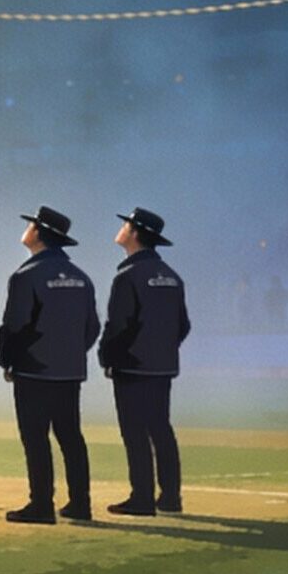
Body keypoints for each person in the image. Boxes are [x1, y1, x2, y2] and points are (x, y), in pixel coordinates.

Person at [0, 206, 99, 524]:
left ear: (39, 233)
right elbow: (92, 327)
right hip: (69, 371)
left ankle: (41, 504)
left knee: (36, 438)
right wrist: (70, 353)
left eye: (31, 225)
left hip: (33, 370)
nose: (27, 228)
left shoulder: (26, 275)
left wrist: (8, 360)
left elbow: (14, 326)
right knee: (71, 436)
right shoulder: (81, 278)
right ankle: (80, 503)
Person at [98, 207, 190, 517]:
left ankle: (142, 497)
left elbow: (119, 326)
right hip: (162, 365)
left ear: (135, 233)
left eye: (126, 225)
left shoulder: (128, 276)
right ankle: (170, 496)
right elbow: (183, 325)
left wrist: (107, 357)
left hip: (133, 366)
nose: (122, 228)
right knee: (161, 429)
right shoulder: (172, 277)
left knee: (135, 433)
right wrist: (162, 348)